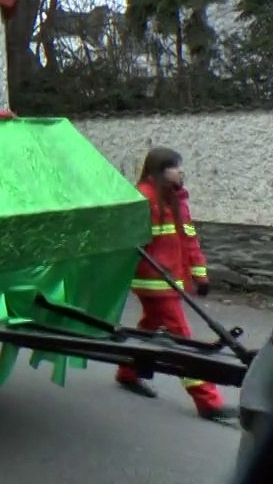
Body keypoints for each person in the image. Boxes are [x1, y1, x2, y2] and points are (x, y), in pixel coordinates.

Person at [115, 147, 237, 422]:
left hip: (170, 280)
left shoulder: (176, 199)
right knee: (182, 340)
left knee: (148, 327)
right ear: (158, 170)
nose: (181, 171)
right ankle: (208, 401)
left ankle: (127, 372)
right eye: (175, 167)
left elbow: (188, 240)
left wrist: (200, 274)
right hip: (154, 283)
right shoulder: (143, 199)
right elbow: (133, 244)